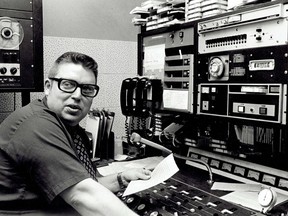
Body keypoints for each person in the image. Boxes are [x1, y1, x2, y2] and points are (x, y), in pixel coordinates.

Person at [0, 51, 151, 216]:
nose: (77, 95)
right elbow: (81, 195)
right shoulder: (36, 125)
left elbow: (82, 183)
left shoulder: (73, 131)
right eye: (67, 84)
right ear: (48, 87)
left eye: (87, 88)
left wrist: (121, 179)